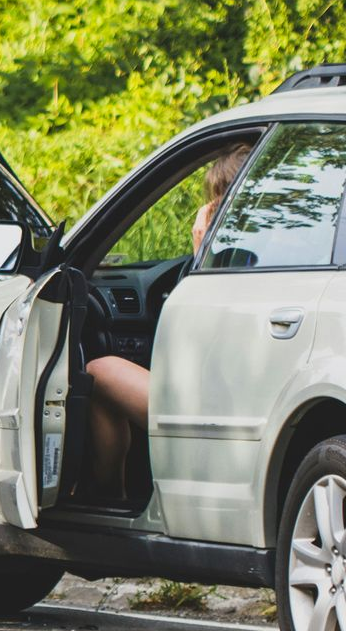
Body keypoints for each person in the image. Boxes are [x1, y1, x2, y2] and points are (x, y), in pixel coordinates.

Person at [84, 143, 252, 496]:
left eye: (217, 201)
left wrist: (202, 253)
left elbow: (199, 340)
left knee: (100, 371)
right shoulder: (283, 253)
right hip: (240, 403)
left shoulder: (229, 266)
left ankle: (107, 497)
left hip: (215, 407)